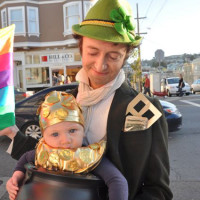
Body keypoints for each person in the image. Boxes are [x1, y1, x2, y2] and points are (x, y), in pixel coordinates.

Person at [0, 0, 173, 199]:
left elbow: (158, 191)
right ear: (81, 48)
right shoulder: (65, 101)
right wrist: (13, 133)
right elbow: (52, 153)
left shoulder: (145, 110)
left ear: (125, 56)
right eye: (93, 52)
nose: (101, 65)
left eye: (114, 56)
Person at [6, 91, 128, 200]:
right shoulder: (42, 152)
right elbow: (25, 159)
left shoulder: (91, 157)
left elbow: (117, 181)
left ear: (83, 131)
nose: (65, 141)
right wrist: (15, 178)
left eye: (72, 131)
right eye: (55, 134)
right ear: (44, 137)